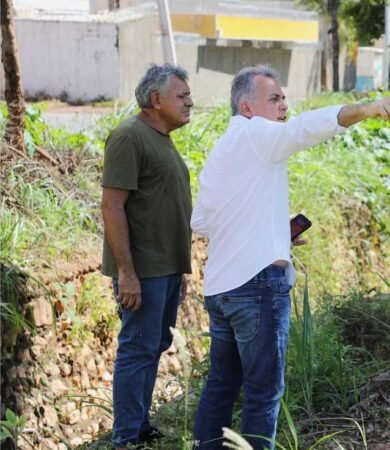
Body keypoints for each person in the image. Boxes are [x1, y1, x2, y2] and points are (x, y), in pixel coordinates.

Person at [191, 65, 390, 449]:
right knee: (263, 392)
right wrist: (367, 109)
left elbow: (202, 219)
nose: (284, 105)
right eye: (273, 99)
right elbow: (304, 129)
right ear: (246, 107)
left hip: (221, 288)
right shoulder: (259, 133)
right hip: (257, 287)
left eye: (283, 97)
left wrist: (271, 231)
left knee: (221, 388)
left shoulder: (223, 148)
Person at [100, 63, 194, 449]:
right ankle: (125, 437)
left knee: (152, 346)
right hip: (143, 269)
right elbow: (112, 207)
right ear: (156, 100)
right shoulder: (128, 137)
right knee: (137, 348)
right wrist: (127, 273)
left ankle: (138, 425)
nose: (190, 102)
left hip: (166, 267)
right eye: (182, 96)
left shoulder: (161, 137)